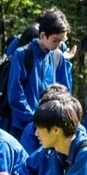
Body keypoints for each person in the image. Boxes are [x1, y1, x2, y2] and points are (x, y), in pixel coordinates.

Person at [6, 8, 73, 150]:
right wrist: (34, 120)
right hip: (25, 127)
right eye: (56, 40)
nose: (59, 45)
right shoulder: (22, 55)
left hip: (50, 127)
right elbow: (15, 93)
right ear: (43, 35)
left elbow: (63, 91)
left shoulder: (56, 56)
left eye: (62, 41)